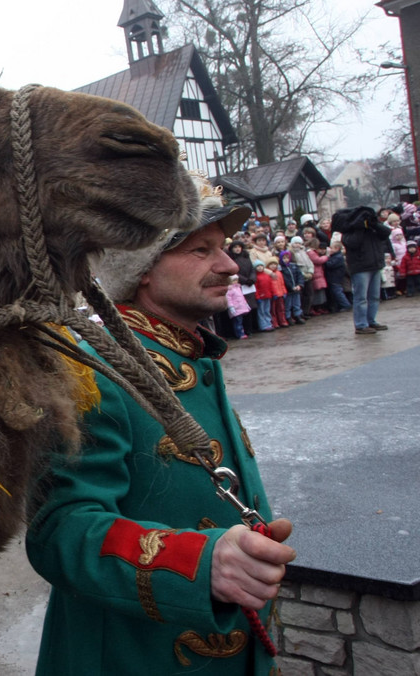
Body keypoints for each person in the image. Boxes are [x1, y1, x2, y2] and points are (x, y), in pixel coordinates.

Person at [26, 188, 295, 674]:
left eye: (225, 247)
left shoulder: (191, 352)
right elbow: (59, 532)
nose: (231, 265)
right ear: (141, 268)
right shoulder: (94, 370)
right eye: (201, 250)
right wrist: (200, 565)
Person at [331, 205, 391, 335]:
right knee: (361, 297)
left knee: (374, 296)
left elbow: (386, 233)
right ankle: (361, 324)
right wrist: (359, 227)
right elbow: (353, 243)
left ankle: (371, 321)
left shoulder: (372, 229)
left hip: (375, 265)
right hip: (360, 267)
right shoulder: (348, 232)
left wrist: (374, 224)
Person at [323, 241, 352, 314]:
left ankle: (346, 305)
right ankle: (338, 306)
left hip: (335, 277)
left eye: (331, 248)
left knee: (337, 292)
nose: (330, 249)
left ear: (337, 248)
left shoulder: (338, 257)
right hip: (334, 277)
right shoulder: (337, 256)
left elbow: (330, 265)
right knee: (335, 292)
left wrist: (326, 258)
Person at [266, 258, 289, 329]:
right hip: (274, 295)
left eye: (274, 264)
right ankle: (275, 322)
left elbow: (282, 283)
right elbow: (269, 285)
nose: (273, 266)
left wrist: (284, 292)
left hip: (280, 294)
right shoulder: (268, 274)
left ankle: (282, 320)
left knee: (281, 309)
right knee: (273, 310)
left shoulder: (279, 273)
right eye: (271, 264)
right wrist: (273, 293)